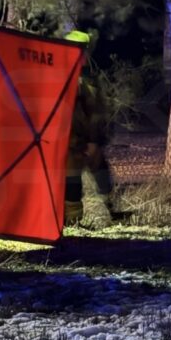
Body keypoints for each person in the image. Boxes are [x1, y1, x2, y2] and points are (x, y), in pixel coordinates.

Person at [64, 31, 113, 227]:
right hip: (72, 143)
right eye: (81, 52)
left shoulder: (86, 81)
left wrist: (94, 140)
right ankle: (71, 224)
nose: (85, 56)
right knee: (72, 182)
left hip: (83, 141)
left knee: (101, 173)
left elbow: (96, 114)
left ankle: (111, 209)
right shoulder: (68, 82)